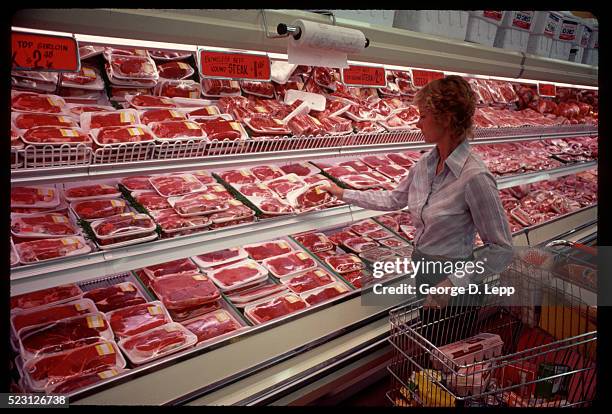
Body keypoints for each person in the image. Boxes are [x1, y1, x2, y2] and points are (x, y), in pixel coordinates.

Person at [321, 75, 513, 310]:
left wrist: (453, 284)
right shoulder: (425, 164)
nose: (417, 124)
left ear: (446, 119)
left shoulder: (475, 177)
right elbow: (394, 199)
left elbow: (502, 249)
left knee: (450, 344)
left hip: (455, 282)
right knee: (428, 340)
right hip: (424, 269)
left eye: (423, 116)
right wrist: (342, 193)